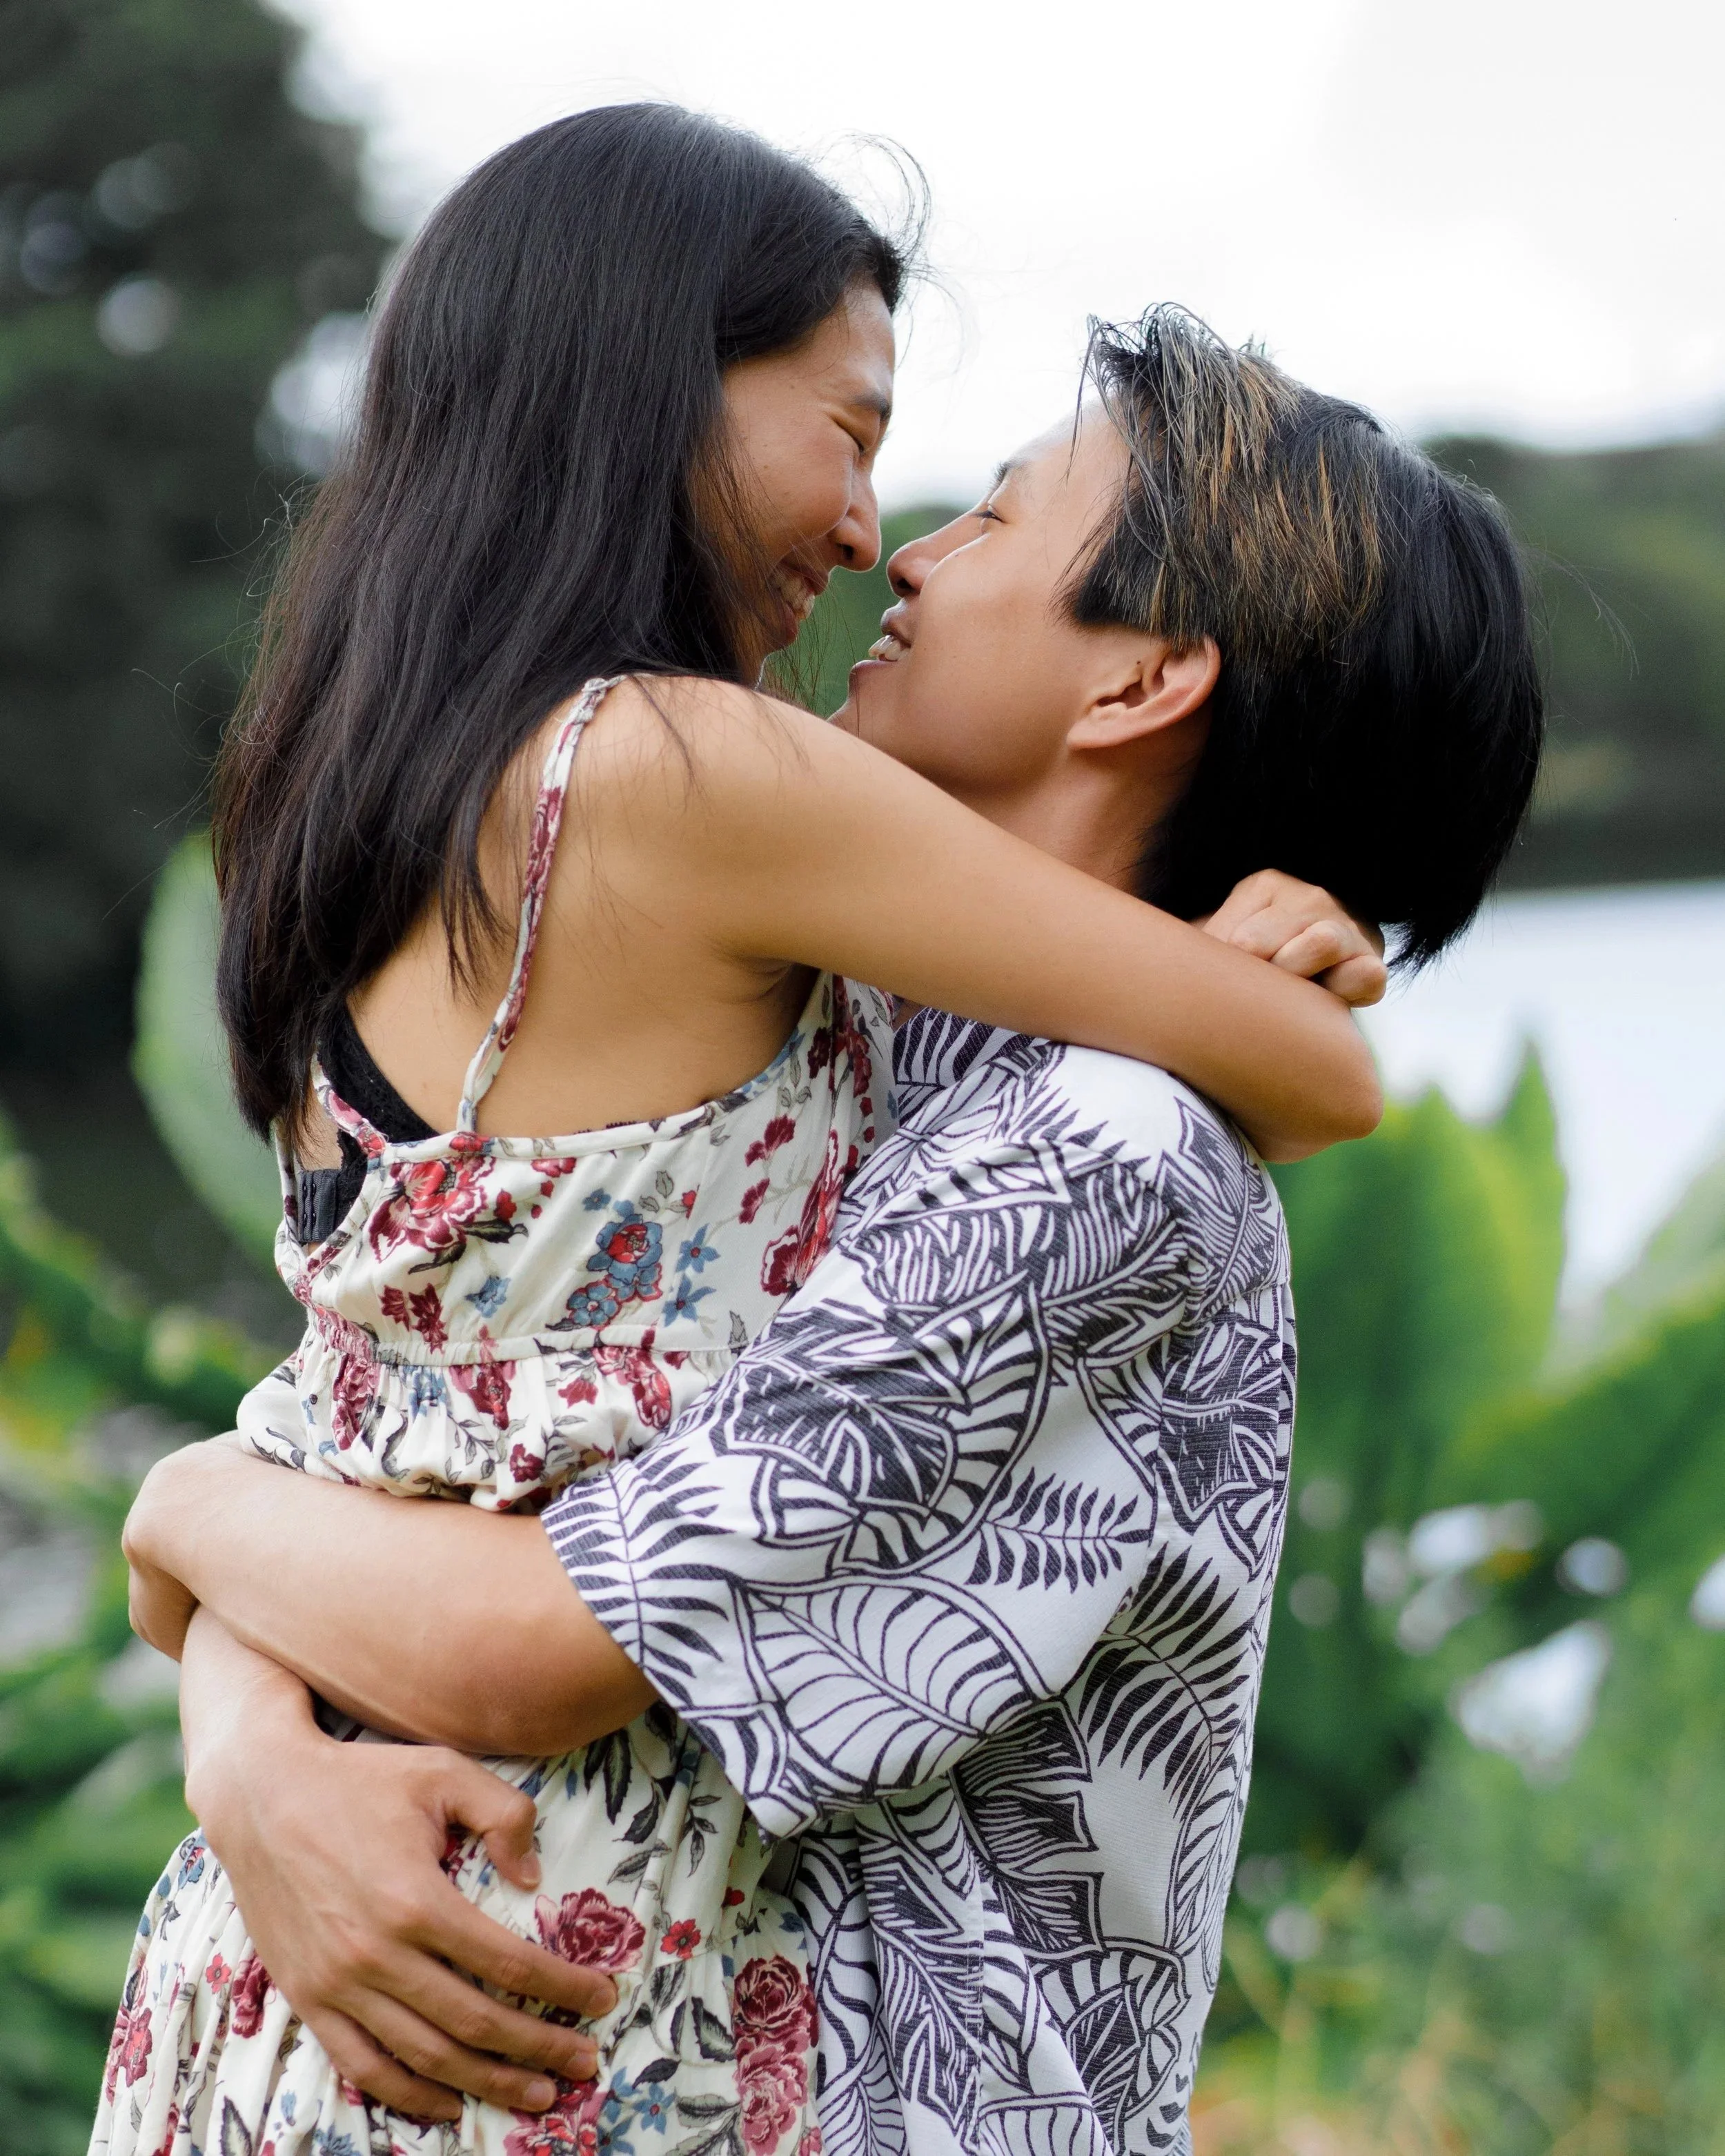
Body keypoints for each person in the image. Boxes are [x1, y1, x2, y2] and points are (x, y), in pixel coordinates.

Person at [91, 106, 1392, 2156]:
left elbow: (355, 1417)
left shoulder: (392, 798)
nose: (876, 531)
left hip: (294, 1963)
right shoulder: (689, 770)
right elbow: (1317, 1075)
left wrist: (233, 1690)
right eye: (851, 432)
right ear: (653, 383)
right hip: (550, 1964)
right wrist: (1263, 982)